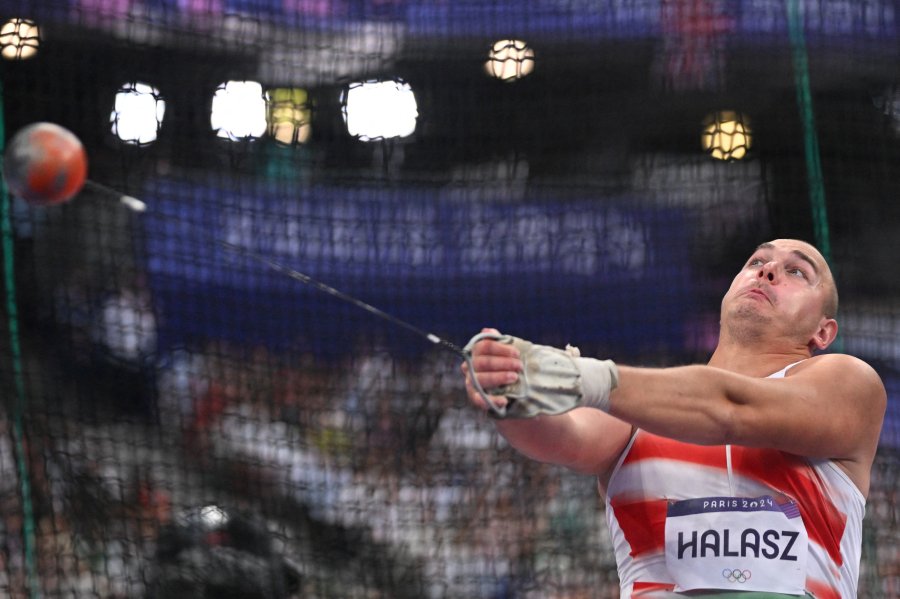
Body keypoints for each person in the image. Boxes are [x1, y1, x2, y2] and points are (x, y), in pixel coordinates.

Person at [462, 238, 886, 598]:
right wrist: (511, 391)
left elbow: (730, 410)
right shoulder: (641, 412)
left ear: (823, 332)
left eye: (797, 272)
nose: (768, 271)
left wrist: (586, 376)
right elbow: (561, 437)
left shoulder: (849, 385)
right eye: (757, 262)